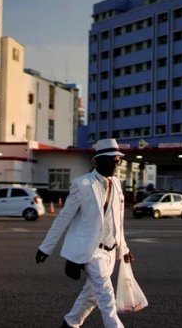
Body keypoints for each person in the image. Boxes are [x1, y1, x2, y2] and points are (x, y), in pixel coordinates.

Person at [35, 138, 134, 328]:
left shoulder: (116, 184)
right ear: (99, 161)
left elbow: (118, 221)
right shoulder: (82, 185)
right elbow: (63, 219)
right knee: (107, 297)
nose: (116, 164)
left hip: (110, 251)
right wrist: (45, 248)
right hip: (92, 252)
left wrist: (124, 249)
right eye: (113, 160)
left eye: (118, 160)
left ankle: (70, 323)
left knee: (91, 296)